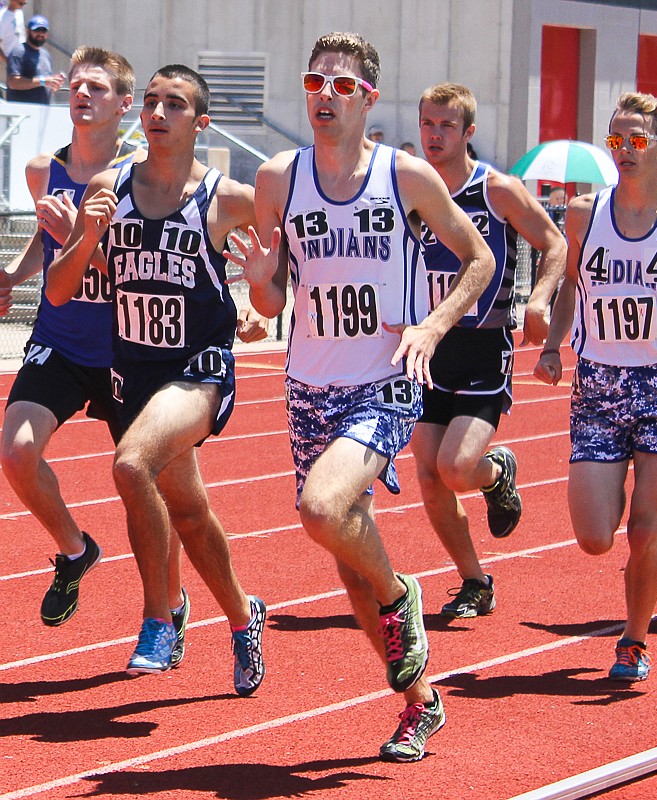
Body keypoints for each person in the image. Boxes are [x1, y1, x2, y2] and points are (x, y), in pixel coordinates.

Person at [232, 32, 494, 761]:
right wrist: (260, 283)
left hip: (385, 379)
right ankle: (421, 702)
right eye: (315, 81)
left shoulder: (406, 175)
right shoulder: (279, 178)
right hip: (309, 384)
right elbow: (275, 290)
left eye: (342, 86)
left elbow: (479, 256)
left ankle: (402, 593)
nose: (325, 95)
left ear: (367, 98)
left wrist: (436, 325)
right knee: (349, 570)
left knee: (321, 509)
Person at [46, 64, 266, 692]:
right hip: (133, 373)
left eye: (174, 104)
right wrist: (88, 235)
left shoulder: (228, 198)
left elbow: (286, 272)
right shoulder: (111, 184)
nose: (157, 113)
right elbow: (59, 292)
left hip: (198, 371)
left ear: (200, 123)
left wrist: (259, 305)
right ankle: (242, 615)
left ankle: (158, 616)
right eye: (150, 102)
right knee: (190, 513)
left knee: (129, 465)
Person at [0, 48, 195, 669]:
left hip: (129, 349)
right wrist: (12, 275)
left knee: (157, 488)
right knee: (15, 451)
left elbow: (143, 275)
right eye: (76, 85)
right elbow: (43, 236)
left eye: (97, 87)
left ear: (122, 103)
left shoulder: (142, 178)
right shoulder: (41, 170)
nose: (82, 94)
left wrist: (77, 240)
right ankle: (75, 549)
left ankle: (165, 609)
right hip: (59, 339)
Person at [533, 92, 657, 681]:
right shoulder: (584, 213)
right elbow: (570, 282)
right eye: (616, 139)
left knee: (646, 530)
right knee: (595, 536)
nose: (625, 150)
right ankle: (613, 492)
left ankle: (634, 641)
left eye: (637, 139)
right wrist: (550, 341)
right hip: (599, 387)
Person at [415, 82, 566, 618]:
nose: (434, 135)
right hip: (428, 346)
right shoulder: (411, 187)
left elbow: (554, 242)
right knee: (429, 475)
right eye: (427, 124)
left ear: (468, 132)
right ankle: (475, 580)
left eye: (446, 126)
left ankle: (496, 471)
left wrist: (540, 300)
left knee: (456, 467)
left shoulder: (496, 189)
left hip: (483, 346)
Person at [6, 14, 64, 103]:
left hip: (43, 110)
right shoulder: (18, 52)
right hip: (22, 110)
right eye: (37, 30)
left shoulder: (46, 55)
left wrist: (54, 84)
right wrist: (42, 81)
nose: (40, 34)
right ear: (27, 31)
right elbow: (13, 83)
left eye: (43, 30)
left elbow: (46, 84)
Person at [0, 0, 26, 68]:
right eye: (20, 4)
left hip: (22, 59)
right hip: (9, 60)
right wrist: (8, 62)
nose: (22, 6)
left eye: (24, 4)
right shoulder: (2, 17)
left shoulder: (19, 13)